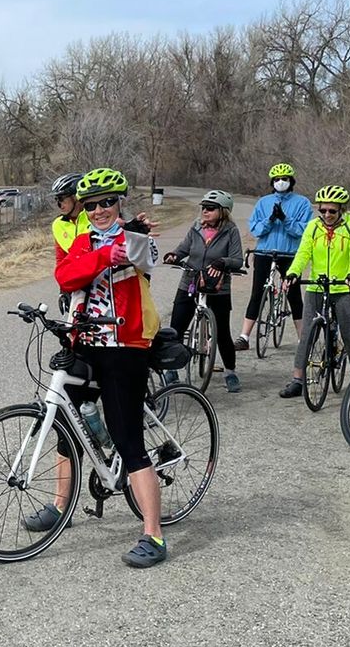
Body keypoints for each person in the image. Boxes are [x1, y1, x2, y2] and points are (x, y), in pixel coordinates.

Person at [46, 168, 170, 569]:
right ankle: (60, 506)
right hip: (86, 344)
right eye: (92, 205)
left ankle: (154, 535)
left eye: (108, 202)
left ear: (119, 203)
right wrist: (101, 256)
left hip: (125, 347)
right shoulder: (83, 242)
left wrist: (131, 236)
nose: (100, 210)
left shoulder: (136, 237)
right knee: (65, 419)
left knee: (128, 439)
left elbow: (143, 259)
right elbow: (65, 276)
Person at [278, 185, 350, 399]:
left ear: (342, 209)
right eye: (323, 210)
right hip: (317, 287)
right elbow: (303, 253)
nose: (327, 215)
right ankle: (298, 379)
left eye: (332, 211)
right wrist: (292, 273)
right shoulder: (313, 227)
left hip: (346, 287)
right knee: (307, 334)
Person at [162, 189, 245, 392]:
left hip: (218, 287)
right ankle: (171, 370)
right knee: (176, 328)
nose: (205, 211)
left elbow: (237, 260)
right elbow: (184, 248)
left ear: (223, 211)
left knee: (222, 332)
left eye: (210, 208)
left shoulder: (231, 231)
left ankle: (230, 372)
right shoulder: (196, 227)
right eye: (203, 207)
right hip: (190, 281)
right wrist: (174, 255)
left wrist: (222, 262)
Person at [237, 162, 312, 351]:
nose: (280, 182)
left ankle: (302, 339)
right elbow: (255, 230)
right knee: (257, 293)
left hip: (290, 254)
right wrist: (270, 219)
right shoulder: (263, 202)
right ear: (272, 182)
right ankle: (244, 336)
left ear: (291, 181)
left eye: (284, 179)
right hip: (264, 252)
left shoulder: (302, 202)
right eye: (277, 179)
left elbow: (302, 231)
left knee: (294, 295)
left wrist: (285, 219)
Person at [49, 173, 90, 263]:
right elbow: (61, 259)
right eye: (56, 199)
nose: (59, 204)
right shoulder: (58, 224)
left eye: (61, 199)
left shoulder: (94, 217)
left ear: (76, 197)